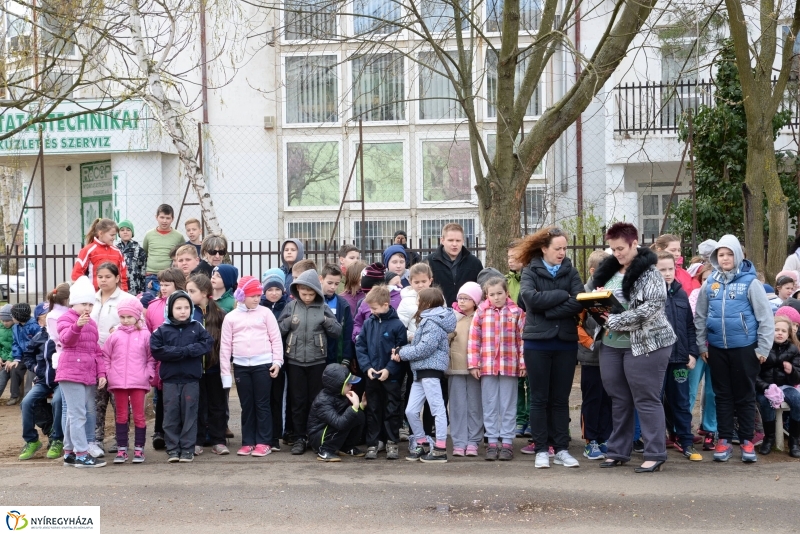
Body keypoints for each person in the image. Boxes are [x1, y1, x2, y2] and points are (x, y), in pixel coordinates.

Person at [591, 222, 677, 473]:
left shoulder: (650, 273)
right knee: (619, 399)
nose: (617, 253)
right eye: (612, 249)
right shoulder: (608, 271)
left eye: (620, 248)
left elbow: (651, 309)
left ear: (633, 243)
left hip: (647, 343)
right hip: (611, 343)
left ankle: (654, 453)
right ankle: (618, 451)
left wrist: (616, 319)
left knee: (646, 398)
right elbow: (598, 299)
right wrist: (595, 300)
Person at [694, 235, 774, 464]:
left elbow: (765, 318)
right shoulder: (710, 283)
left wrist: (763, 349)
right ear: (715, 258)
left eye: (729, 254)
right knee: (722, 395)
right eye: (721, 255)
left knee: (745, 396)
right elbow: (700, 316)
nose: (725, 258)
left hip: (745, 349)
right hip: (717, 349)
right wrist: (702, 345)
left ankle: (747, 440)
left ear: (737, 255)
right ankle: (725, 439)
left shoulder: (751, 283)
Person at [514, 226, 584, 469]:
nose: (562, 252)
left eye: (565, 248)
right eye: (558, 248)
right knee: (539, 398)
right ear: (544, 249)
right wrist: (562, 295)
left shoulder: (572, 272)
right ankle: (542, 449)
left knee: (560, 399)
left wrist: (549, 307)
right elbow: (530, 301)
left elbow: (578, 302)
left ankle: (562, 448)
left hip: (564, 342)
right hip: (537, 344)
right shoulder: (529, 271)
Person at [278, 269, 342, 455]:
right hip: (295, 361)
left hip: (317, 361)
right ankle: (299, 438)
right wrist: (288, 322)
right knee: (297, 401)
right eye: (303, 293)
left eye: (310, 293)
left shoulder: (323, 307)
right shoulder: (291, 307)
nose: (306, 297)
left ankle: (314, 437)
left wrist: (327, 322)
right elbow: (278, 330)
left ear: (316, 292)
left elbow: (337, 331)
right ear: (297, 291)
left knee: (315, 401)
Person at [220, 276, 283, 457]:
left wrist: (277, 362)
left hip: (263, 365)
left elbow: (275, 339)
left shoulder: (265, 313)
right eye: (253, 295)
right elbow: (225, 346)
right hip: (241, 367)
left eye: (258, 295)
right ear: (241, 295)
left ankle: (264, 441)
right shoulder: (231, 318)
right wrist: (226, 373)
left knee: (262, 404)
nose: (257, 298)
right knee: (246, 405)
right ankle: (248, 441)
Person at [392, 287, 456, 463]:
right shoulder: (427, 320)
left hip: (430, 371)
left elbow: (424, 348)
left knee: (437, 410)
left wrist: (402, 353)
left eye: (419, 299)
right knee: (411, 411)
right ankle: (422, 442)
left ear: (426, 303)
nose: (417, 302)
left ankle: (440, 448)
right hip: (420, 371)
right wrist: (401, 350)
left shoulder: (432, 323)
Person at [150, 291, 214, 463]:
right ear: (170, 309)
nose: (183, 311)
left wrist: (187, 351)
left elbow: (207, 344)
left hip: (191, 380)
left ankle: (187, 449)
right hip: (170, 380)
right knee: (171, 415)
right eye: (178, 308)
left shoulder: (197, 327)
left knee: (189, 415)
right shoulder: (162, 330)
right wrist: (180, 352)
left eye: (186, 307)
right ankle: (172, 449)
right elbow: (156, 350)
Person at [468, 277, 526, 461]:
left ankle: (507, 442)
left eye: (499, 293)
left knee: (508, 404)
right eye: (492, 294)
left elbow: (522, 339)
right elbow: (474, 340)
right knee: (490, 403)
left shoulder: (517, 312)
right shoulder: (481, 313)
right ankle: (492, 441)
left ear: (506, 293)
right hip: (487, 366)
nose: (496, 297)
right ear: (486, 295)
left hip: (509, 365)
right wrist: (473, 364)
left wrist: (523, 363)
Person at [56, 276, 108, 468]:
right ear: (74, 303)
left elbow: (96, 351)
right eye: (83, 304)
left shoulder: (92, 324)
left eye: (90, 304)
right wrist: (76, 326)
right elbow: (65, 340)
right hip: (70, 372)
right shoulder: (66, 319)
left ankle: (69, 453)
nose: (87, 308)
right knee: (78, 415)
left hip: (87, 373)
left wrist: (101, 373)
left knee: (74, 414)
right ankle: (81, 454)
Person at [656, 251, 703, 461]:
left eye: (670, 269)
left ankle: (685, 441)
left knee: (682, 402)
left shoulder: (681, 293)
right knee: (655, 402)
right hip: (657, 360)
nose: (667, 274)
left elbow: (690, 327)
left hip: (679, 359)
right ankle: (656, 443)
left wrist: (692, 353)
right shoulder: (651, 296)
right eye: (662, 270)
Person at [90, 262, 139, 455]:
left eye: (107, 276)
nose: (103, 280)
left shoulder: (127, 299)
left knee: (118, 399)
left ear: (117, 278)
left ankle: (121, 439)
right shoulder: (91, 300)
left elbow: (138, 324)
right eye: (99, 276)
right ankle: (97, 439)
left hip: (119, 358)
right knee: (97, 400)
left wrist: (119, 330)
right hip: (94, 357)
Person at [356, 285, 407, 460]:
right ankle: (374, 442)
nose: (372, 311)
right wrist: (367, 367)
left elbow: (400, 351)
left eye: (375, 308)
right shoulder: (368, 323)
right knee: (373, 408)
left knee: (392, 409)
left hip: (390, 376)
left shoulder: (397, 325)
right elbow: (360, 346)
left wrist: (389, 369)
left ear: (386, 305)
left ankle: (391, 441)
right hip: (372, 374)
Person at [102, 298, 155, 464]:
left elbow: (151, 357)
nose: (125, 320)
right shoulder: (114, 336)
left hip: (138, 382)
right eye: (122, 317)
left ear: (137, 317)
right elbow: (106, 356)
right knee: (121, 416)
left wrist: (148, 374)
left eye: (129, 317)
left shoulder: (146, 335)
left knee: (139, 416)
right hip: (118, 382)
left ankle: (139, 448)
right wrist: (109, 374)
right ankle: (122, 449)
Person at [186, 274, 229, 456]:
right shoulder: (188, 313)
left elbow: (226, 342)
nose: (187, 295)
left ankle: (218, 440)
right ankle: (198, 440)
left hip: (215, 369)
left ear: (204, 293)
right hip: (195, 369)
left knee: (217, 405)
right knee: (197, 405)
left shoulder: (219, 314)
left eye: (191, 291)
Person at [144, 267, 186, 450]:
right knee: (161, 398)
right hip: (161, 359)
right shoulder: (154, 306)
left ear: (176, 285)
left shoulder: (184, 304)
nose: (163, 288)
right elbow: (148, 333)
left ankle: (181, 432)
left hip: (182, 358)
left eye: (167, 284)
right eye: (161, 284)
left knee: (182, 398)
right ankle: (159, 431)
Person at [578, 250, 612, 461]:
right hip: (591, 357)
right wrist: (591, 344)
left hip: (611, 355)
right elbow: (577, 325)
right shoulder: (582, 294)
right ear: (593, 271)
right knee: (592, 398)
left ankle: (605, 437)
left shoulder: (612, 291)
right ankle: (590, 440)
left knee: (608, 398)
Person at [19, 317, 63, 461]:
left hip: (61, 382)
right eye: (45, 318)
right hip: (43, 381)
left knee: (58, 401)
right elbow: (28, 355)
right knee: (26, 402)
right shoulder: (38, 337)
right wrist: (35, 368)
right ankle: (32, 440)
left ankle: (57, 438)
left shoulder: (63, 335)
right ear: (40, 322)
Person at [447, 282, 483, 457]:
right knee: (457, 406)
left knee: (475, 405)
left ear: (475, 301)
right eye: (460, 298)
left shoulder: (481, 317)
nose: (461, 301)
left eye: (466, 298)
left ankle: (473, 441)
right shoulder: (452, 317)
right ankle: (459, 442)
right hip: (455, 368)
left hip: (475, 369)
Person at [756, 316, 800, 457]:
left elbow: (797, 377)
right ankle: (769, 438)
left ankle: (794, 440)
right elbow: (753, 374)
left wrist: (792, 371)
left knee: (797, 401)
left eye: (783, 331)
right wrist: (765, 387)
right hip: (765, 386)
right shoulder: (761, 348)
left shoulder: (793, 350)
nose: (780, 333)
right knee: (765, 401)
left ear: (788, 334)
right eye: (776, 330)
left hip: (785, 386)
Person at [307, 363, 366, 462]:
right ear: (338, 385)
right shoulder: (323, 401)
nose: (351, 385)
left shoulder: (339, 395)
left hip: (330, 429)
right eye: (348, 384)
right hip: (318, 437)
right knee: (343, 421)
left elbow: (347, 416)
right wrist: (354, 406)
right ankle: (324, 450)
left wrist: (361, 405)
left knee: (358, 415)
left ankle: (346, 446)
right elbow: (339, 423)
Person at [687, 262, 718, 450]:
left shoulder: (723, 296)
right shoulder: (695, 295)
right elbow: (693, 321)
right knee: (690, 390)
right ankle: (682, 428)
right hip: (698, 350)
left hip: (717, 349)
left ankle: (710, 429)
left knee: (712, 392)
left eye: (712, 279)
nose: (708, 283)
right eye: (705, 279)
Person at [424, 223, 484, 307]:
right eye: (450, 240)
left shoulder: (474, 263)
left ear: (463, 241)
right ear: (442, 240)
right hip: (437, 313)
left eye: (458, 240)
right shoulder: (428, 262)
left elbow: (481, 291)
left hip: (467, 314)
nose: (454, 244)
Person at [506, 241, 529, 438]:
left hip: (529, 332)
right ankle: (519, 418)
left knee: (530, 380)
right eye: (509, 257)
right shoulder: (506, 281)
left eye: (515, 257)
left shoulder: (530, 278)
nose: (511, 261)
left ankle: (530, 417)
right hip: (511, 335)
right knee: (516, 381)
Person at [72, 218, 129, 292]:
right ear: (101, 233)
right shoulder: (88, 250)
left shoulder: (117, 251)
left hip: (114, 295)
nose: (114, 238)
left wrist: (124, 293)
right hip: (94, 295)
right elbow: (77, 274)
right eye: (111, 235)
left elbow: (123, 276)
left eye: (115, 235)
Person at [352, 262, 401, 341]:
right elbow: (358, 323)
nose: (367, 297)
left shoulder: (399, 299)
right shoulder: (363, 302)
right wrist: (359, 337)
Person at [319, 264, 354, 366]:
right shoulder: (313, 301)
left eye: (336, 283)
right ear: (321, 279)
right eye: (329, 283)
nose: (333, 287)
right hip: (316, 357)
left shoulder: (343, 305)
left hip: (336, 355)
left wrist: (347, 357)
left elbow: (348, 332)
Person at [7, 303, 41, 405]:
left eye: (13, 315)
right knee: (15, 370)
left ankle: (27, 398)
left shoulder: (35, 326)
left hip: (35, 357)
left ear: (19, 316)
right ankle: (15, 395)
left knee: (31, 375)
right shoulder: (15, 327)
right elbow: (15, 343)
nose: (11, 317)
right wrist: (16, 358)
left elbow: (39, 345)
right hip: (22, 356)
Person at [143, 204, 186, 278]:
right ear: (156, 217)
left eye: (168, 218)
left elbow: (183, 254)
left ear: (172, 219)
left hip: (170, 276)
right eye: (162, 217)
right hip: (151, 275)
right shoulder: (148, 235)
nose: (164, 221)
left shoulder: (179, 236)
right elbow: (145, 252)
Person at [117, 220, 147, 296]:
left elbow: (143, 271)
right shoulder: (115, 249)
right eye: (122, 230)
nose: (125, 232)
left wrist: (142, 290)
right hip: (118, 287)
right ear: (118, 233)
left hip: (135, 288)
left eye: (128, 230)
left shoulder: (139, 250)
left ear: (132, 233)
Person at [0, 305, 13, 399]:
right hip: (1, 357)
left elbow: (16, 346)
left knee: (3, 374)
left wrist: (9, 358)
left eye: (7, 321)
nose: (5, 323)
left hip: (11, 359)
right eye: (3, 320)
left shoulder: (16, 328)